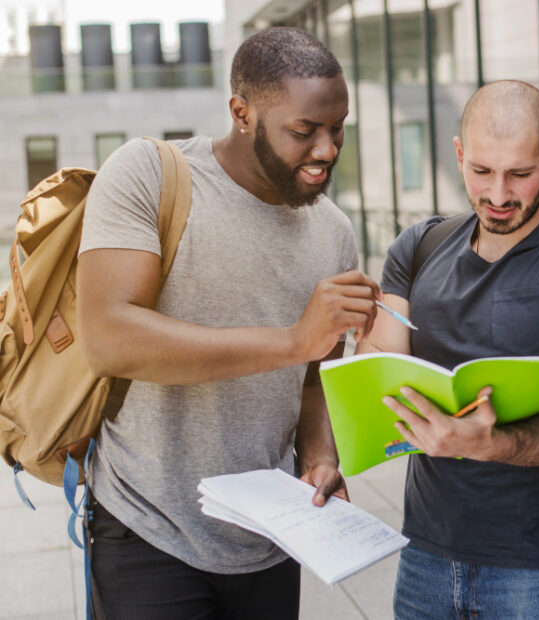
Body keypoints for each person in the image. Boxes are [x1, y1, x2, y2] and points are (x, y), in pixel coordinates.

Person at [75, 28, 379, 619]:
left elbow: (316, 373)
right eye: (304, 131)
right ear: (242, 112)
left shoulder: (332, 229)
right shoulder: (149, 174)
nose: (326, 150)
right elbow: (108, 337)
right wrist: (291, 340)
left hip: (270, 538)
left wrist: (319, 456)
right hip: (149, 528)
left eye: (337, 128)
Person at [362, 80, 539, 619]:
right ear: (459, 155)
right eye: (481, 171)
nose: (497, 194)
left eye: (520, 173)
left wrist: (487, 443)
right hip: (424, 552)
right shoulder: (417, 248)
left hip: (536, 570)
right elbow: (379, 374)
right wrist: (348, 342)